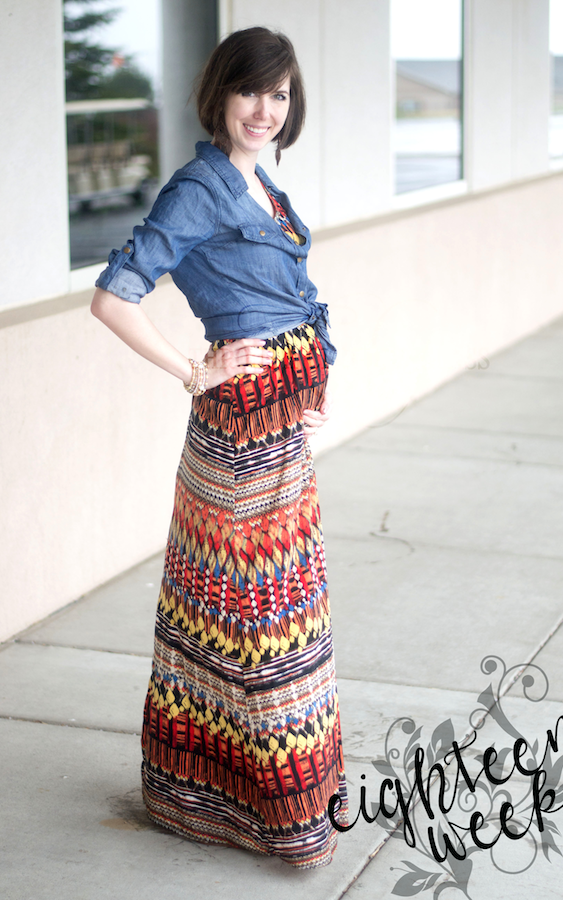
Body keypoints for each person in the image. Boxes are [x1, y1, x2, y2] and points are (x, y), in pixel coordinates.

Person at [91, 26, 348, 869]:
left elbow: (292, 299)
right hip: (239, 437)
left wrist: (310, 389)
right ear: (221, 95)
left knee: (278, 617)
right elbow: (114, 297)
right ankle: (253, 812)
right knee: (254, 622)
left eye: (279, 94)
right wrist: (194, 372)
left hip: (281, 432)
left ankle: (239, 802)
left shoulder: (259, 184)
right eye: (251, 91)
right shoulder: (201, 187)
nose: (264, 109)